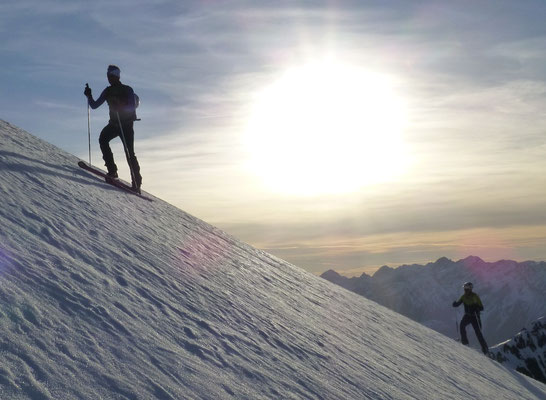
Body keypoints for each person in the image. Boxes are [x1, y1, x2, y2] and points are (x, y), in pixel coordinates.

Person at [84, 65, 142, 192]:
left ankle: (137, 183)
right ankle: (112, 171)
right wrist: (89, 96)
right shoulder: (108, 91)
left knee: (129, 152)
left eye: (111, 76)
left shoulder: (127, 90)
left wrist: (120, 106)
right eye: (108, 76)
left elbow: (131, 107)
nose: (109, 78)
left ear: (117, 76)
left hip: (126, 124)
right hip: (114, 123)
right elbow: (94, 105)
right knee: (103, 139)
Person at [452, 282, 489, 354]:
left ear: (470, 289)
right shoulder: (463, 297)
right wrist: (455, 304)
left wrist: (476, 308)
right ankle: (465, 343)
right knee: (462, 326)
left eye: (466, 289)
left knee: (478, 332)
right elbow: (458, 303)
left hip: (475, 317)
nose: (465, 290)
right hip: (468, 315)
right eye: (464, 289)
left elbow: (481, 307)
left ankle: (485, 349)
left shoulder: (475, 296)